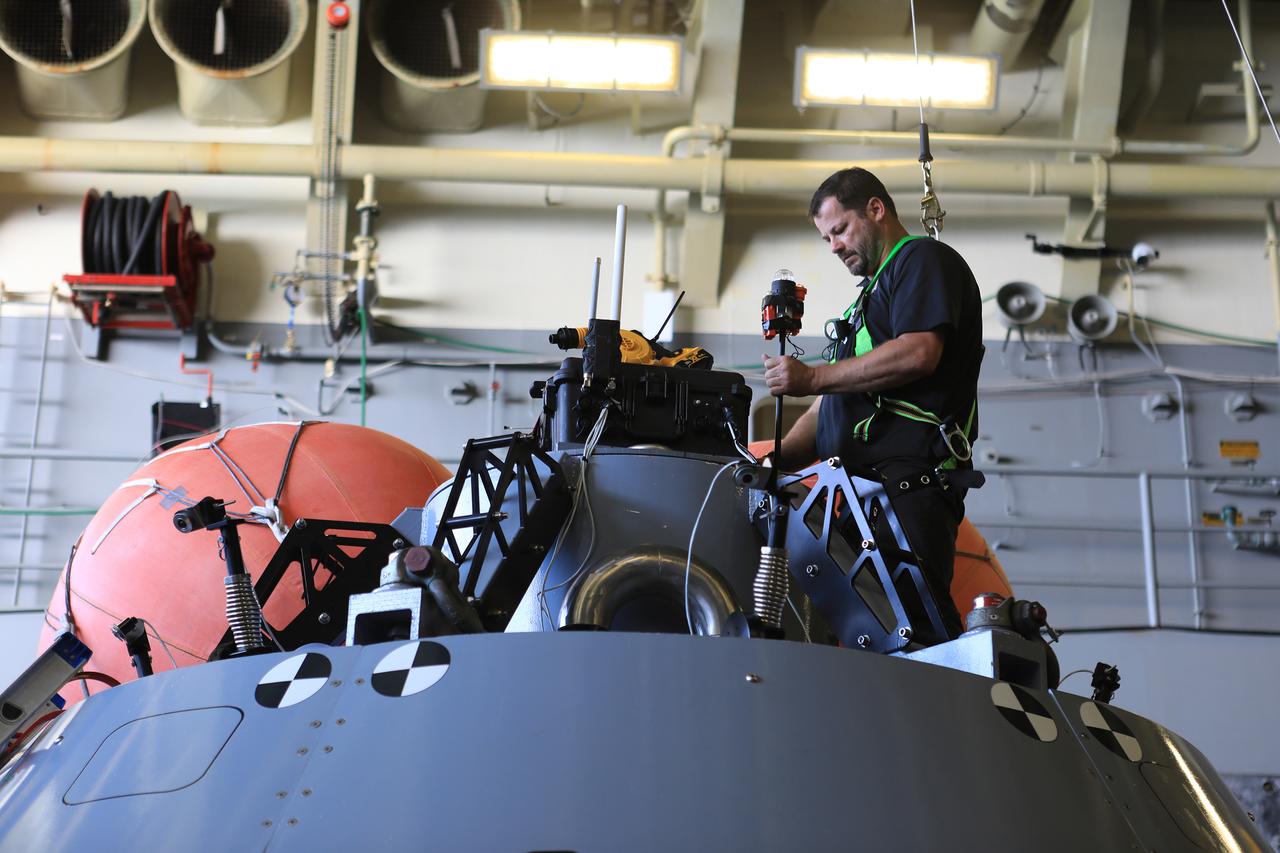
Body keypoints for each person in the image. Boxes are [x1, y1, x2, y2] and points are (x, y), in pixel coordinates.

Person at [763, 167, 984, 640]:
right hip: (861, 497)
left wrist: (814, 377)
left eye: (839, 230)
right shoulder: (866, 303)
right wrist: (768, 460)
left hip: (906, 488)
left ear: (876, 210)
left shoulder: (923, 261)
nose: (835, 247)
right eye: (826, 239)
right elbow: (829, 408)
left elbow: (920, 352)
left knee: (915, 631)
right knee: (869, 634)